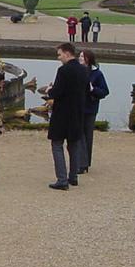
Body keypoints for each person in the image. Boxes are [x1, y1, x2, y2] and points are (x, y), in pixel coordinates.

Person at [46, 43, 87, 190]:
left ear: (67, 54)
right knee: (74, 144)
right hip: (77, 112)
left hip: (62, 113)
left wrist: (50, 90)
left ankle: (62, 179)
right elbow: (87, 90)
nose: (59, 57)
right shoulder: (84, 70)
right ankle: (73, 177)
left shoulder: (63, 71)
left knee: (57, 144)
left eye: (60, 54)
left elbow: (57, 92)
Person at [78, 49, 110, 174]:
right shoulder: (77, 71)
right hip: (78, 107)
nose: (80, 58)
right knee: (79, 134)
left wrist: (93, 89)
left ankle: (85, 163)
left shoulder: (97, 74)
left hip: (90, 108)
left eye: (82, 56)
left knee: (87, 135)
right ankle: (81, 162)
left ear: (88, 59)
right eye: (79, 56)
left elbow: (105, 91)